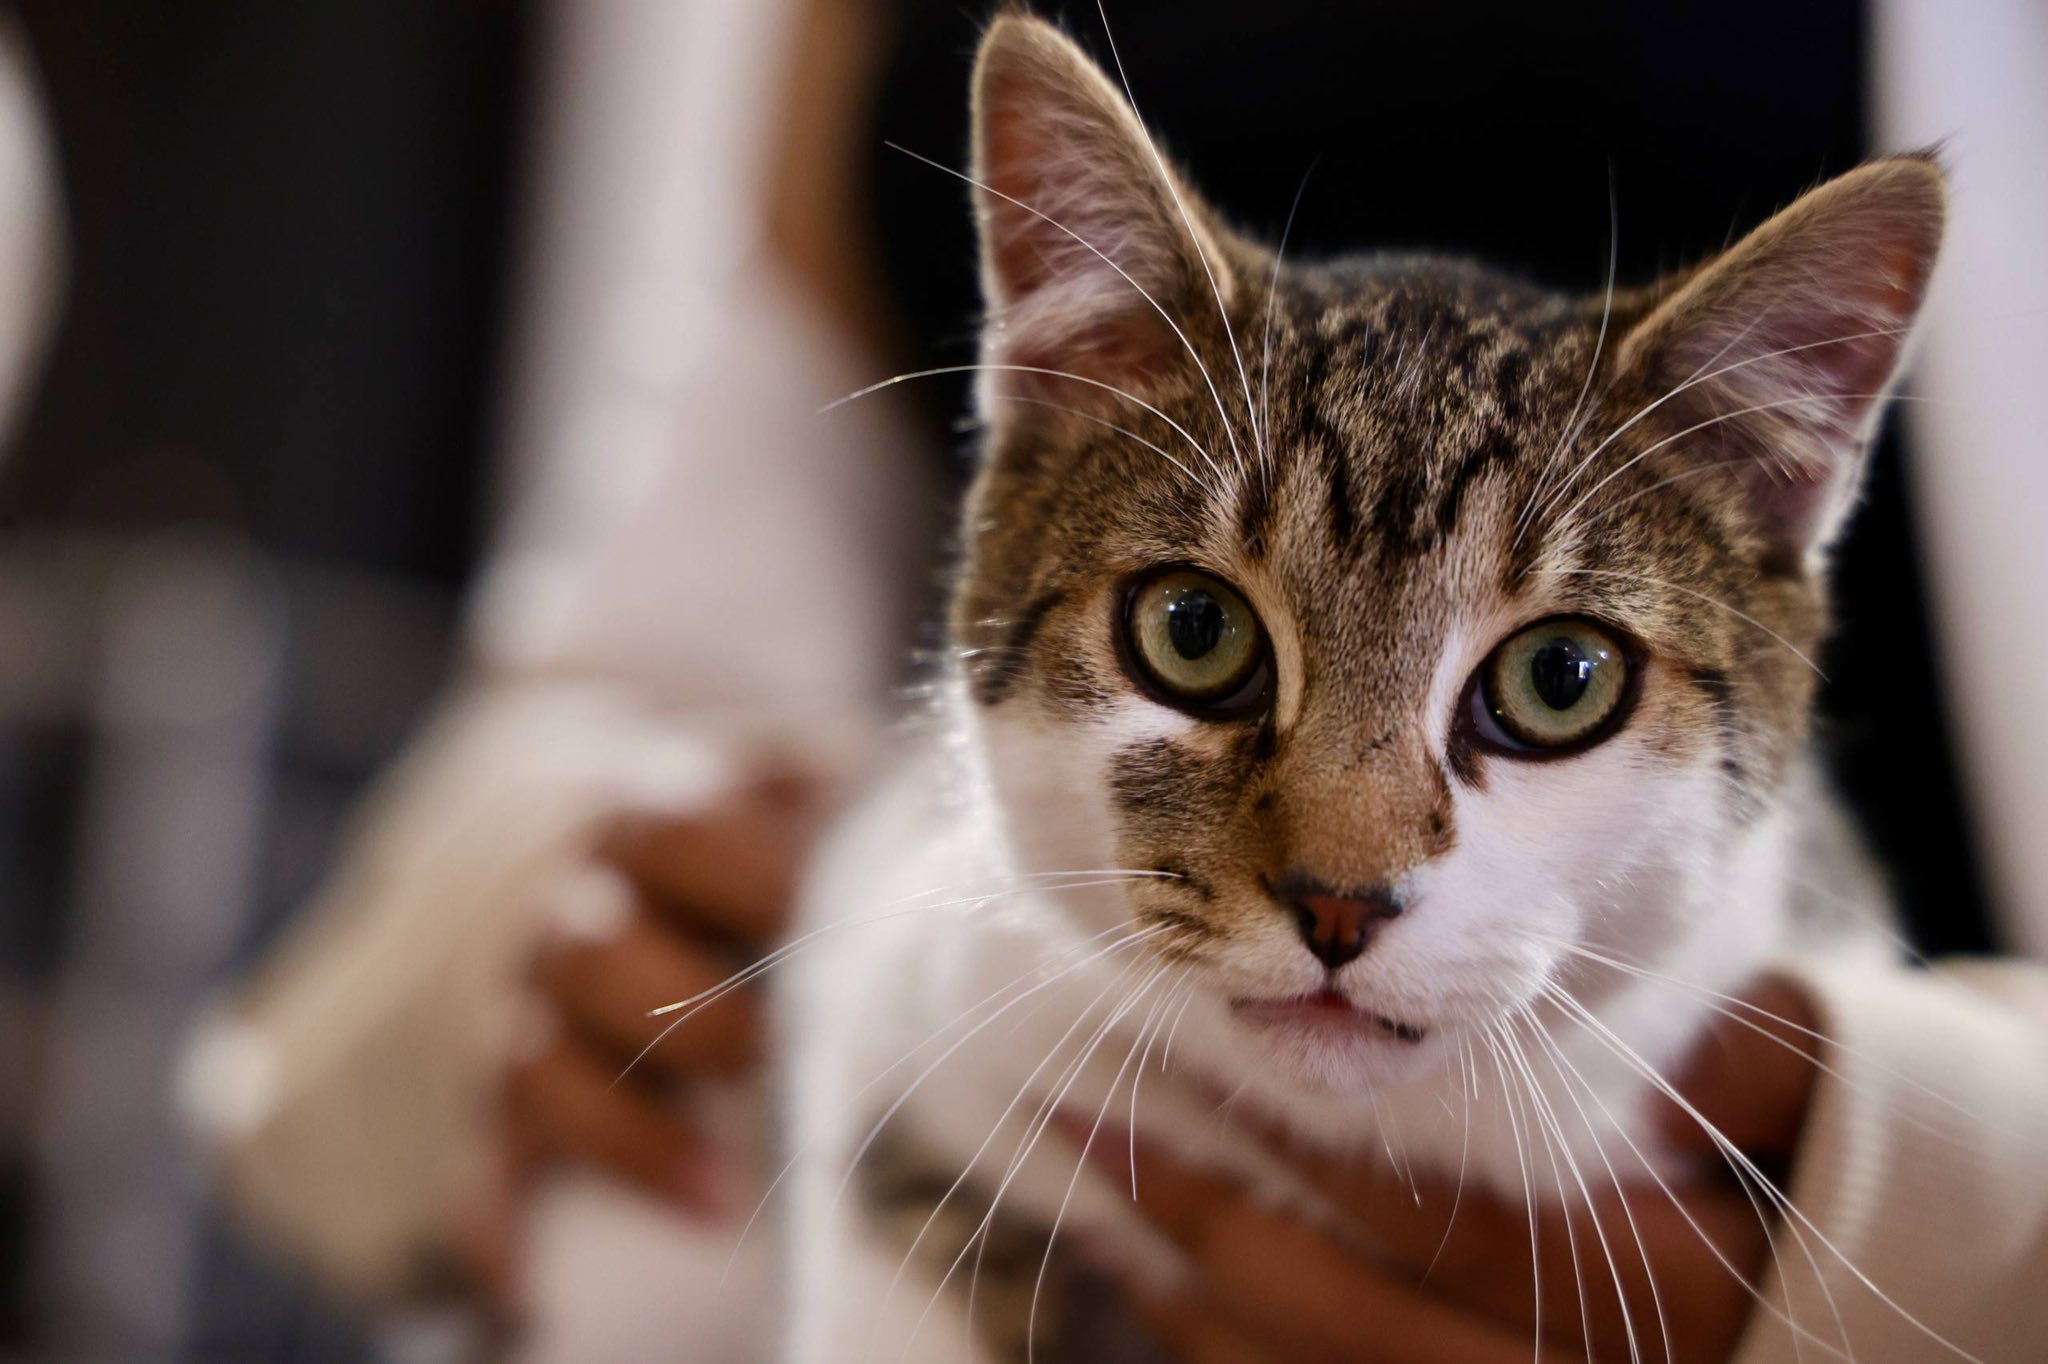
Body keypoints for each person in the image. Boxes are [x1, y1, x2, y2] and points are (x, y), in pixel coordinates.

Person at [182, 1, 2048, 1361]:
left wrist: (1942, 1218)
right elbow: (640, 667)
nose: (1343, 865)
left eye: (1550, 683)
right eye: (1206, 641)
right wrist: (556, 883)